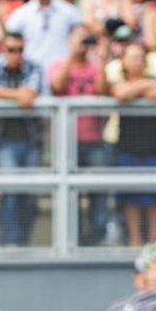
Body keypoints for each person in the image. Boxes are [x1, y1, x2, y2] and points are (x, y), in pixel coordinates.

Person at [109, 40, 156, 247]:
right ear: (124, 62)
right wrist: (145, 87)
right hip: (129, 144)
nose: (137, 61)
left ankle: (154, 241)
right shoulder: (118, 80)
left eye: (140, 57)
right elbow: (121, 94)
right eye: (132, 57)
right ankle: (135, 240)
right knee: (131, 195)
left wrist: (136, 89)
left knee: (155, 195)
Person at [0, 30, 42, 247]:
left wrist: (6, 94)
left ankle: (23, 240)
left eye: (19, 50)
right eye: (11, 50)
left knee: (29, 195)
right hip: (3, 141)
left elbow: (33, 91)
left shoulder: (33, 65)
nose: (15, 54)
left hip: (31, 140)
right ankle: (9, 241)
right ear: (3, 49)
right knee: (9, 190)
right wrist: (18, 95)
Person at [51, 24, 109, 245]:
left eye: (87, 39)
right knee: (69, 196)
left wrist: (102, 60)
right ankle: (70, 240)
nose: (83, 44)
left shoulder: (96, 66)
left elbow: (102, 91)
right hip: (66, 142)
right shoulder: (58, 64)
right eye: (79, 39)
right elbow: (57, 85)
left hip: (94, 140)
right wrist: (72, 56)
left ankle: (95, 240)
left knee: (98, 193)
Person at [5, 0, 81, 71]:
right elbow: (10, 35)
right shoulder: (22, 14)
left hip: (61, 69)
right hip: (31, 68)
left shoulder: (67, 10)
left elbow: (82, 30)